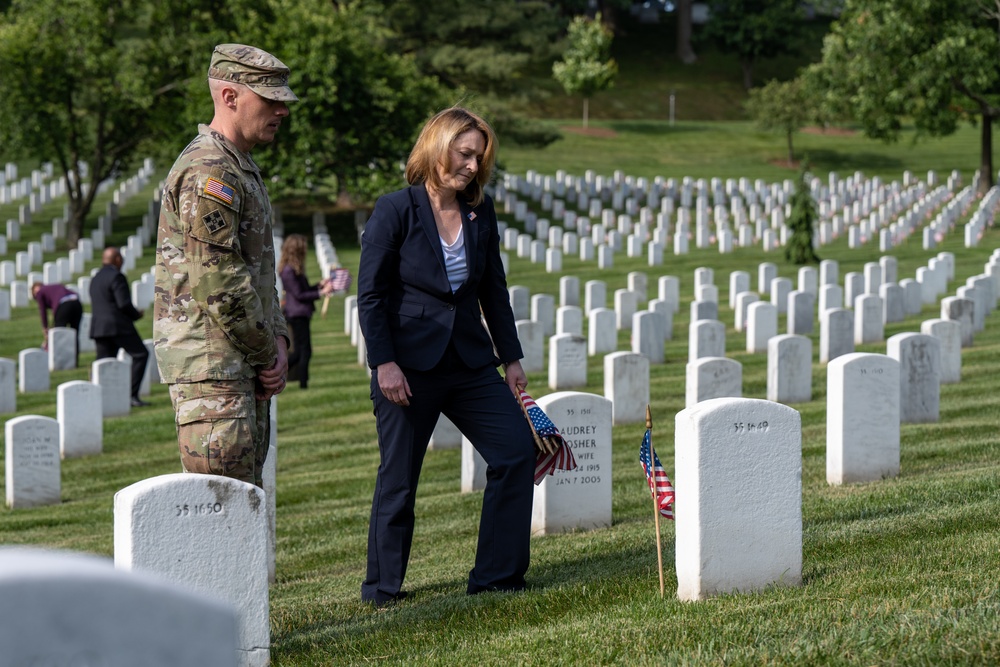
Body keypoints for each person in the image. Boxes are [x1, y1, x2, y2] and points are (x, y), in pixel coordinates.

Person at [357, 107, 536, 607]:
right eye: (465, 154)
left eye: (480, 158)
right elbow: (370, 295)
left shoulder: (481, 213)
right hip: (407, 367)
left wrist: (511, 358)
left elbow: (493, 292)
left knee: (516, 451)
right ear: (437, 147)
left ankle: (498, 576)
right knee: (398, 479)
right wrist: (384, 363)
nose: (474, 166)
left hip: (470, 362)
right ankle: (383, 589)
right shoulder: (395, 209)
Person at [153, 43, 296, 488]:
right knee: (223, 520)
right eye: (270, 100)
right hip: (214, 372)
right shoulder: (209, 169)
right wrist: (267, 350)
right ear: (230, 97)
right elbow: (219, 281)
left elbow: (258, 271)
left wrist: (279, 336)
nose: (282, 111)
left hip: (237, 367)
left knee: (243, 514)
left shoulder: (239, 167)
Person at [89, 246, 149, 407]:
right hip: (117, 325)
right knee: (140, 354)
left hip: (99, 327)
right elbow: (123, 303)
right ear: (117, 259)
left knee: (103, 364)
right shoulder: (117, 276)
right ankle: (130, 395)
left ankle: (95, 398)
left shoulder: (96, 278)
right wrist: (136, 315)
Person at [278, 234, 334, 389]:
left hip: (300, 313)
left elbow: (304, 289)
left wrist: (320, 285)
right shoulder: (289, 271)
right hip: (296, 314)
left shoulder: (294, 268)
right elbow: (299, 295)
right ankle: (300, 383)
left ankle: (298, 381)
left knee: (301, 351)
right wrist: (322, 293)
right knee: (303, 351)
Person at [31, 281, 83, 366]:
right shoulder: (54, 286)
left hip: (63, 305)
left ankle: (60, 362)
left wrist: (45, 327)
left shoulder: (39, 293)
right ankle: (74, 362)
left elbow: (43, 311)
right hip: (76, 303)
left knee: (58, 335)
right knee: (74, 334)